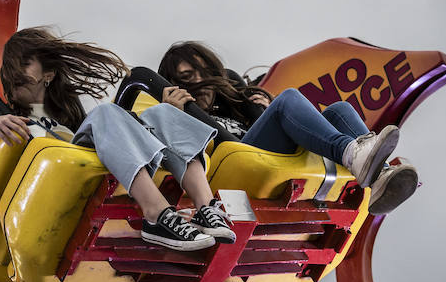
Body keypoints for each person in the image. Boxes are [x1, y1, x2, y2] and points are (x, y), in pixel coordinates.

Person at [0, 28, 232, 252]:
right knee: (108, 113)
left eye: (23, 64)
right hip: (47, 191)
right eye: (10, 69)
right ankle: (156, 214)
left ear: (48, 73)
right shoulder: (0, 122)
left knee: (162, 115)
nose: (14, 74)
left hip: (87, 171)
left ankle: (206, 207)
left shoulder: (68, 126)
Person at [155, 41, 418, 215]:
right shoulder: (177, 111)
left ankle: (379, 178)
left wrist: (263, 110)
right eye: (189, 78)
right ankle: (352, 154)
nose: (201, 82)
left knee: (339, 110)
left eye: (204, 72)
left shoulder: (232, 104)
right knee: (288, 99)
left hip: (267, 159)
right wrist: (170, 115)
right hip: (233, 171)